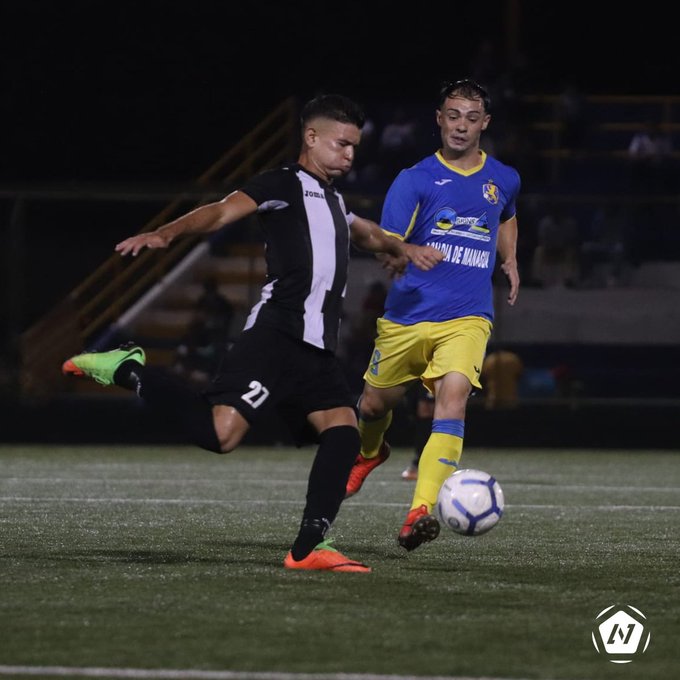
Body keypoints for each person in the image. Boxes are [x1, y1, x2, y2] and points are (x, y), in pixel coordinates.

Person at [62, 94, 443, 573]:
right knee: (221, 436)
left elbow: (363, 232)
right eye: (342, 144)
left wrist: (401, 247)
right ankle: (127, 368)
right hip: (277, 335)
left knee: (344, 433)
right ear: (311, 138)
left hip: (317, 348)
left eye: (354, 147)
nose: (350, 155)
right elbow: (222, 211)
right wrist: (167, 233)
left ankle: (307, 549)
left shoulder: (334, 199)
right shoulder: (282, 182)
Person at [344, 79, 521, 552]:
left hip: (468, 315)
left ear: (485, 123)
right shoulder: (415, 179)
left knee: (454, 399)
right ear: (439, 119)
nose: (461, 125)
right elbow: (385, 244)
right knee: (375, 405)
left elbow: (506, 215)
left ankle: (419, 511)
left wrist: (510, 258)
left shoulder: (503, 177)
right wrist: (405, 251)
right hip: (408, 314)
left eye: (471, 117)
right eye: (453, 115)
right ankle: (369, 452)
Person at [399, 383, 434, 481]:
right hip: (417, 373)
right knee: (420, 409)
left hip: (434, 371)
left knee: (427, 408)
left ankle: (426, 463)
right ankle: (422, 462)